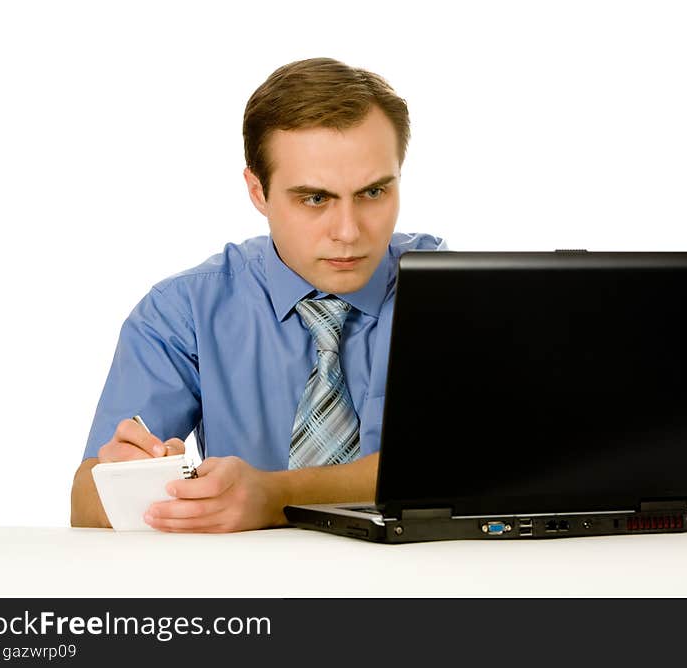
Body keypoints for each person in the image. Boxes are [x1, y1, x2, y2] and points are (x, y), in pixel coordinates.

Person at [70, 57, 445, 532]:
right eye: (315, 198)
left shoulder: (451, 295)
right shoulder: (182, 312)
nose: (349, 232)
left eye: (373, 193)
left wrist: (276, 496)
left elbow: (467, 468)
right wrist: (133, 481)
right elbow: (85, 503)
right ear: (258, 192)